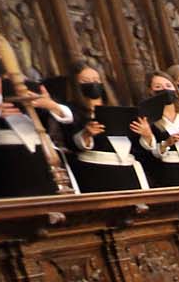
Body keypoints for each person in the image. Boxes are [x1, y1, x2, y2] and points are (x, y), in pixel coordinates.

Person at [0, 28, 73, 198]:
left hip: (39, 156)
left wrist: (50, 104)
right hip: (3, 159)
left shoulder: (29, 86)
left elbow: (66, 117)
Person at [62, 61, 152, 192]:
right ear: (76, 85)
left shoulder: (118, 109)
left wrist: (146, 135)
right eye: (86, 80)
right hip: (97, 174)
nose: (93, 83)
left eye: (96, 80)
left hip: (129, 172)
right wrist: (86, 134)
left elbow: (136, 146)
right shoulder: (72, 112)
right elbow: (69, 143)